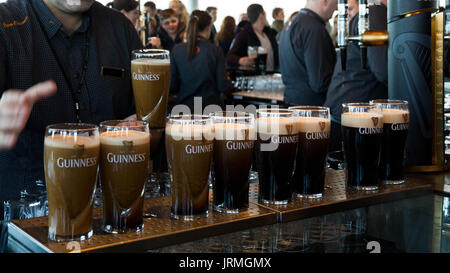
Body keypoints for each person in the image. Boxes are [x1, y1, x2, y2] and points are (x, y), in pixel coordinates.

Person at [0, 0, 142, 219]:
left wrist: (144, 128)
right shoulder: (5, 25)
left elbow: (148, 121)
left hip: (111, 216)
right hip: (26, 223)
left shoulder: (120, 28)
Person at [324, 0, 388, 152]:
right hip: (353, 119)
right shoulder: (374, 13)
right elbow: (383, 71)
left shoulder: (372, 14)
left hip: (343, 114)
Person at [279, 0, 337, 106]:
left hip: (290, 102)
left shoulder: (291, 23)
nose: (336, 9)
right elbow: (320, 83)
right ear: (325, 1)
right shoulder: (314, 29)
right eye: (336, 3)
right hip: (310, 110)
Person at [169, 10, 229, 112]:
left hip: (183, 108)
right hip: (210, 109)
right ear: (209, 27)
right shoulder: (214, 50)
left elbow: (172, 85)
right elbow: (222, 86)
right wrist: (229, 82)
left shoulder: (177, 50)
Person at [226, 4, 278, 72]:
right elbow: (229, 57)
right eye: (264, 14)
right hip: (255, 77)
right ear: (261, 15)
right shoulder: (245, 34)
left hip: (273, 77)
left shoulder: (269, 33)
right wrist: (240, 60)